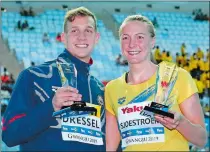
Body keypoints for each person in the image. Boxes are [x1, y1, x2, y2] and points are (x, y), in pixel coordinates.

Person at [2, 7, 105, 151]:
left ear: (96, 38)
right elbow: (9, 134)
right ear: (63, 38)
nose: (82, 36)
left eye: (88, 30)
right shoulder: (34, 76)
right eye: (74, 30)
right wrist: (51, 106)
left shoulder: (99, 89)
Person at [105, 14, 207, 151]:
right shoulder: (112, 88)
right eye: (125, 38)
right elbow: (110, 147)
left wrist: (180, 123)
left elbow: (201, 139)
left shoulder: (178, 77)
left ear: (152, 41)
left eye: (140, 37)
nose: (131, 44)